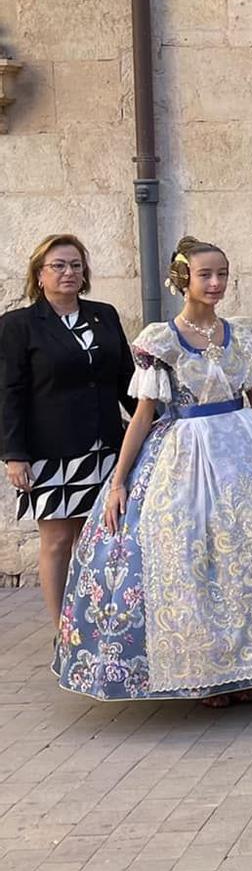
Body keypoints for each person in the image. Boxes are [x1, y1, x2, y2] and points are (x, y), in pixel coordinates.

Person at [55, 238, 252, 706]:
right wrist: (119, 481)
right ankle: (206, 674)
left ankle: (247, 665)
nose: (215, 284)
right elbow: (142, 414)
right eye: (205, 276)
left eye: (222, 275)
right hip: (183, 458)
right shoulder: (161, 340)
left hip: (246, 453)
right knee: (194, 562)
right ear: (183, 280)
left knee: (248, 559)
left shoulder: (241, 334)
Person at [1, 235, 134, 627]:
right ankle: (65, 630)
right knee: (59, 541)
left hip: (107, 449)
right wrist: (13, 453)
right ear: (39, 275)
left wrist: (154, 421)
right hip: (51, 452)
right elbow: (9, 393)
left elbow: (126, 379)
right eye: (58, 265)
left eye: (76, 265)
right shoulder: (19, 325)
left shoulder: (104, 315)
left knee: (100, 541)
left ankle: (99, 623)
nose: (68, 272)